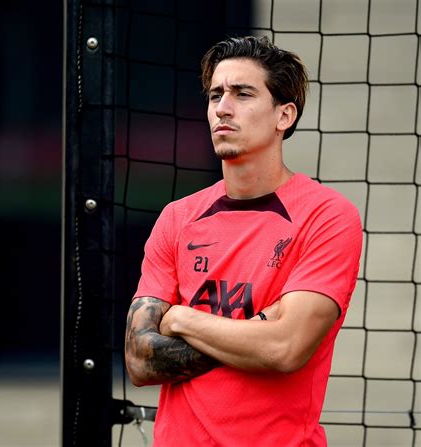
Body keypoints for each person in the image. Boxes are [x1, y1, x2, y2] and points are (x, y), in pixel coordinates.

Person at [125, 35, 362, 446]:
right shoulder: (177, 218)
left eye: (243, 93)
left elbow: (286, 348)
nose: (222, 107)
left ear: (284, 115)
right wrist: (256, 333)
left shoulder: (328, 216)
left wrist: (182, 319)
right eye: (215, 95)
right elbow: (140, 359)